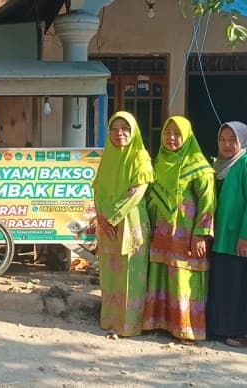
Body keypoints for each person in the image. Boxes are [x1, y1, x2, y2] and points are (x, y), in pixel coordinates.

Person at [143, 116, 215, 344]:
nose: (171, 138)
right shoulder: (158, 163)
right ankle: (160, 323)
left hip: (187, 235)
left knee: (185, 279)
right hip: (161, 233)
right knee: (161, 275)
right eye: (167, 133)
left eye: (177, 134)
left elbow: (208, 203)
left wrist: (201, 235)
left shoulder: (199, 167)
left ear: (187, 137)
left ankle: (186, 328)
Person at [91, 111, 154, 337]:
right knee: (109, 273)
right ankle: (109, 320)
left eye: (125, 129)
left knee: (131, 274)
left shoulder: (140, 157)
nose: (120, 133)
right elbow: (97, 188)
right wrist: (101, 216)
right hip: (106, 224)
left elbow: (137, 192)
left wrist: (112, 217)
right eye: (115, 129)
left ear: (133, 131)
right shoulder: (107, 156)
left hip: (131, 223)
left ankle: (129, 325)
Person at [205, 121, 247, 347]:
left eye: (233, 140)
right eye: (223, 139)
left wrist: (246, 235)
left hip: (239, 239)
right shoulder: (218, 166)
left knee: (240, 283)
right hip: (221, 237)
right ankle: (219, 327)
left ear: (243, 140)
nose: (227, 144)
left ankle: (240, 330)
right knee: (223, 281)